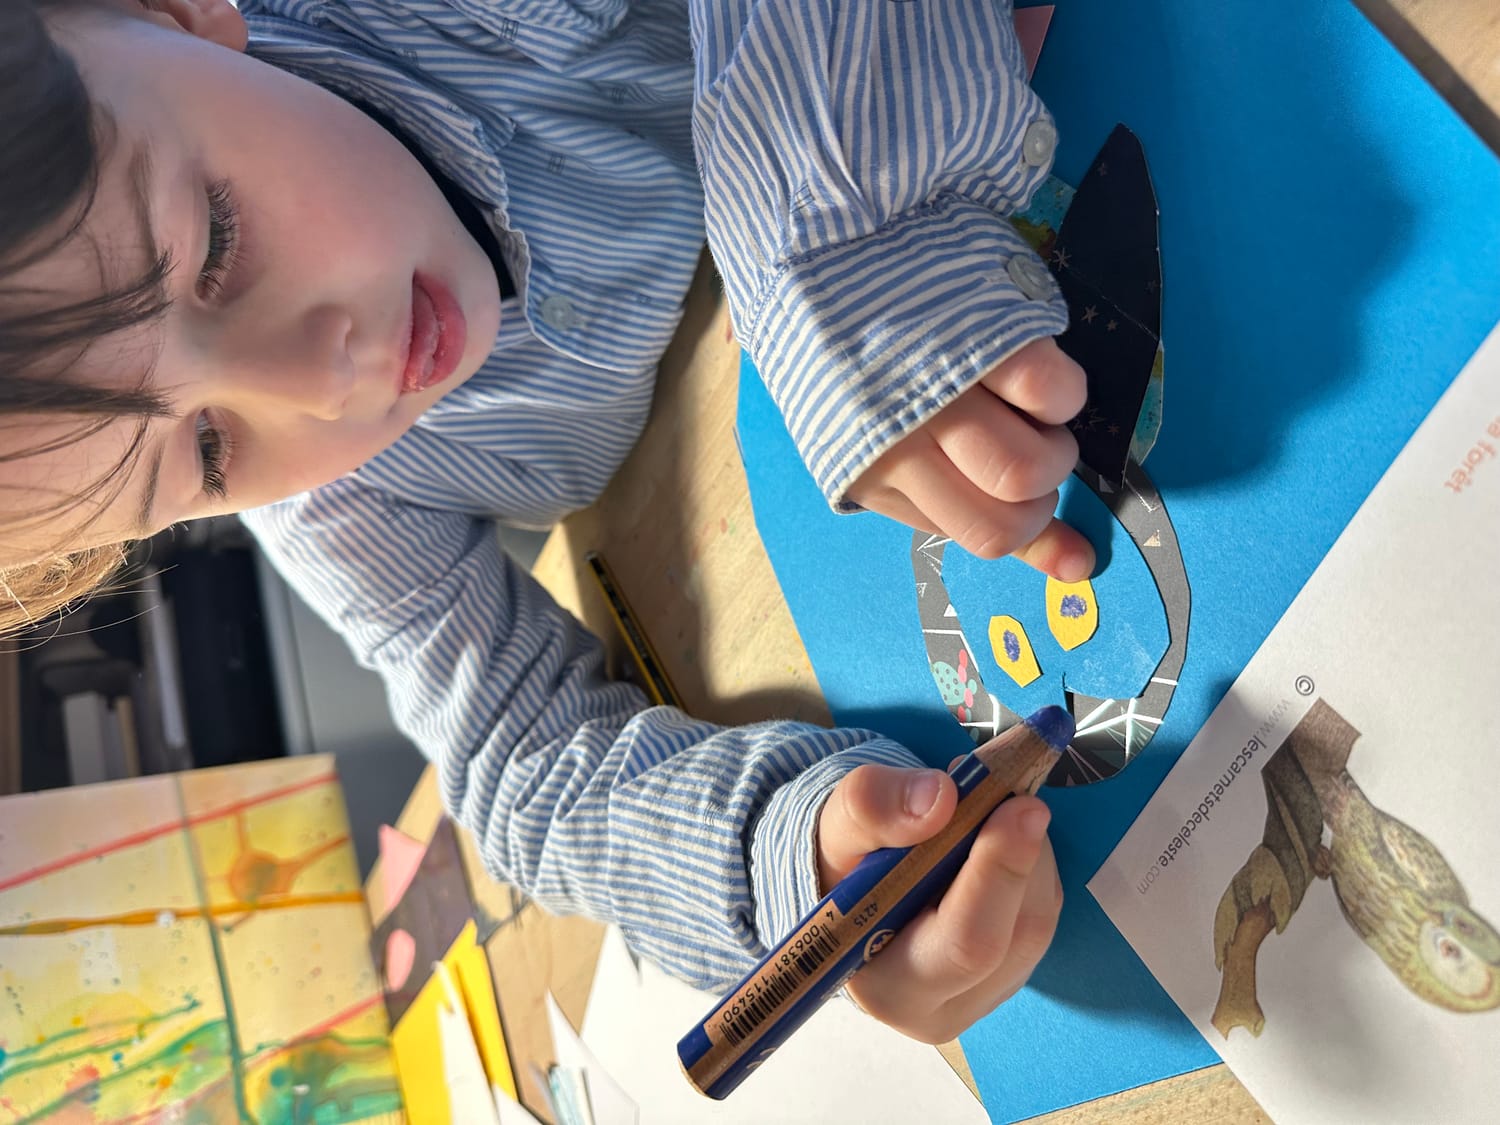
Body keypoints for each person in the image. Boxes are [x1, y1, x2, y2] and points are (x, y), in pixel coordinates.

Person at [1, 0, 1092, 1044]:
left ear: (173, 8)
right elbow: (523, 765)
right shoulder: (326, 498)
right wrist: (790, 860)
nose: (321, 383)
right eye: (206, 453)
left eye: (216, 241)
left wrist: (852, 236)